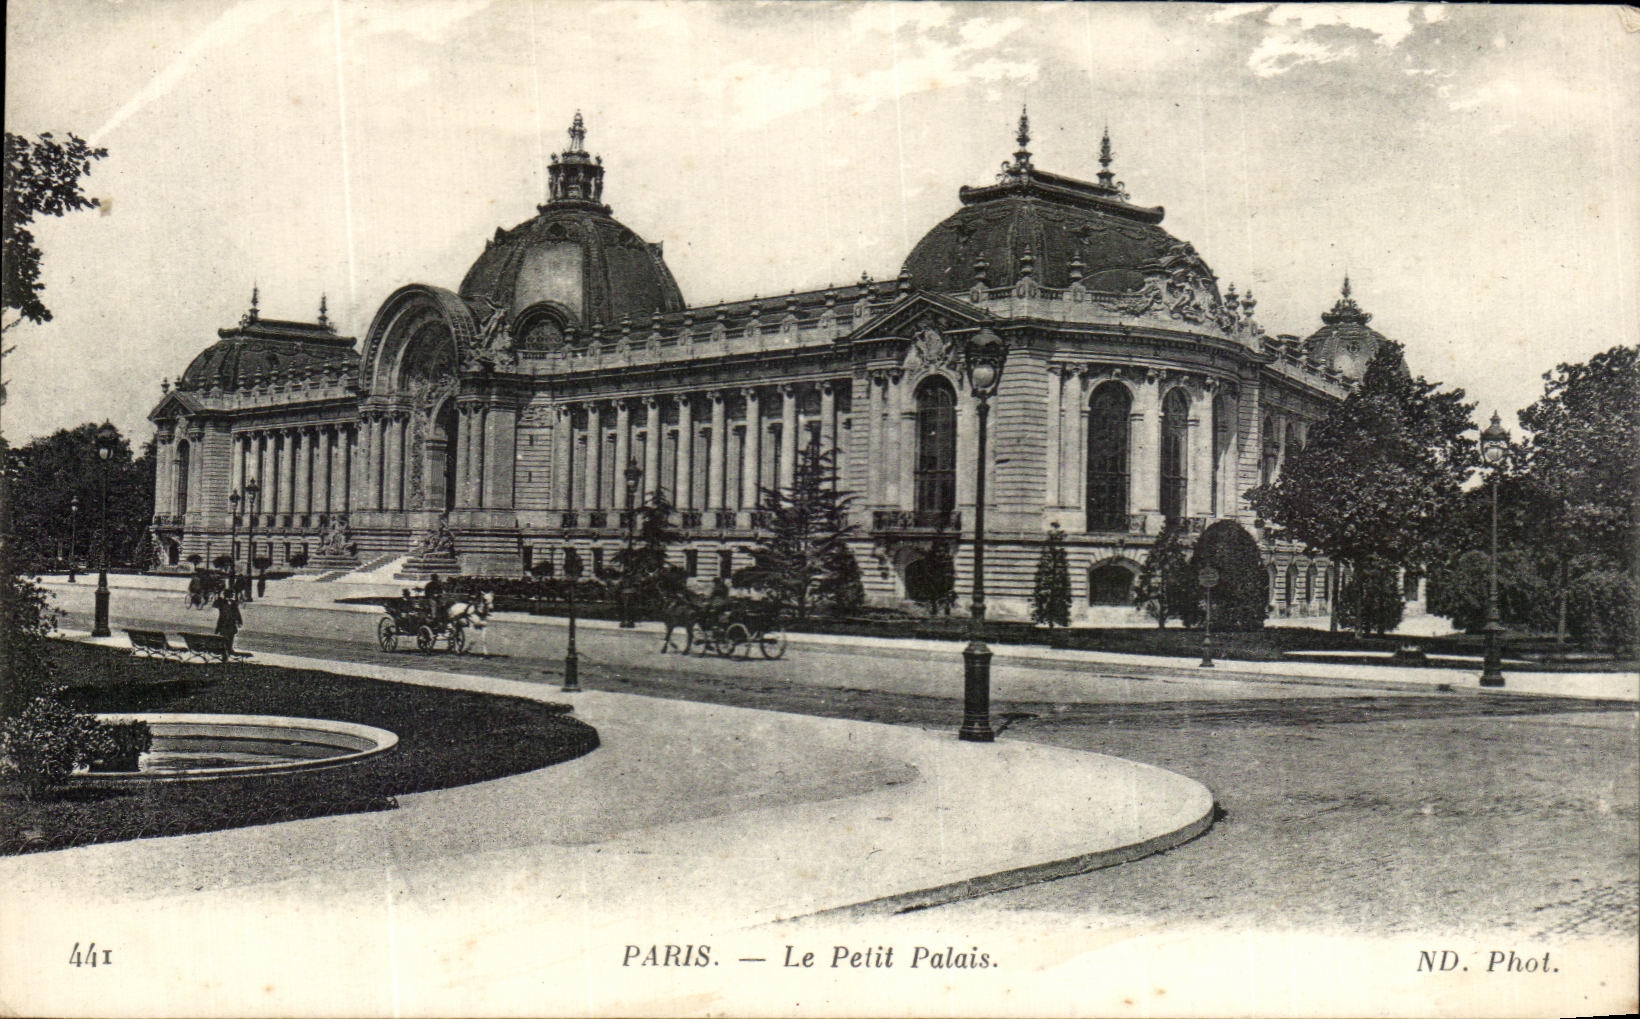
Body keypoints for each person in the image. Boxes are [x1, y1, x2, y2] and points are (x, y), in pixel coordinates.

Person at [213, 590, 243, 656]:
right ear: (227, 595)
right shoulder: (222, 602)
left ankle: (229, 649)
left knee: (231, 636)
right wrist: (218, 596)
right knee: (225, 637)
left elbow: (237, 612)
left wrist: (239, 621)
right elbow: (215, 605)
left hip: (230, 624)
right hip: (224, 624)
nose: (232, 595)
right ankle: (226, 650)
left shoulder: (233, 603)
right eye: (231, 594)